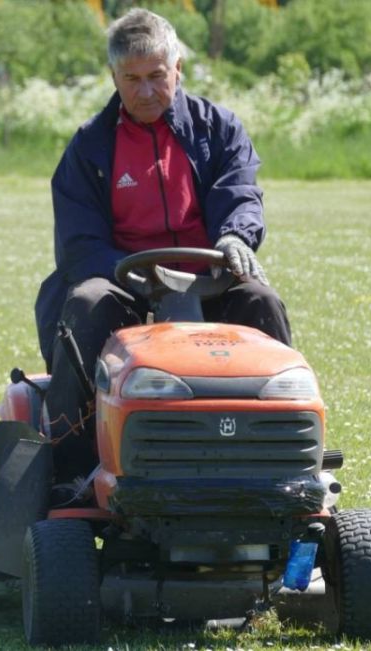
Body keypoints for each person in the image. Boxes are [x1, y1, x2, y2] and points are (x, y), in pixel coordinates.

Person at [35, 8, 291, 484]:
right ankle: (73, 468)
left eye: (157, 75)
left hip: (211, 276)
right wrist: (133, 273)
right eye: (132, 79)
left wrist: (235, 236)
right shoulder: (89, 148)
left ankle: (280, 458)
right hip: (123, 282)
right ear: (113, 76)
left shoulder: (219, 129)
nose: (146, 91)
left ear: (178, 69)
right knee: (87, 303)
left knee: (262, 300)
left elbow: (241, 195)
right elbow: (79, 243)